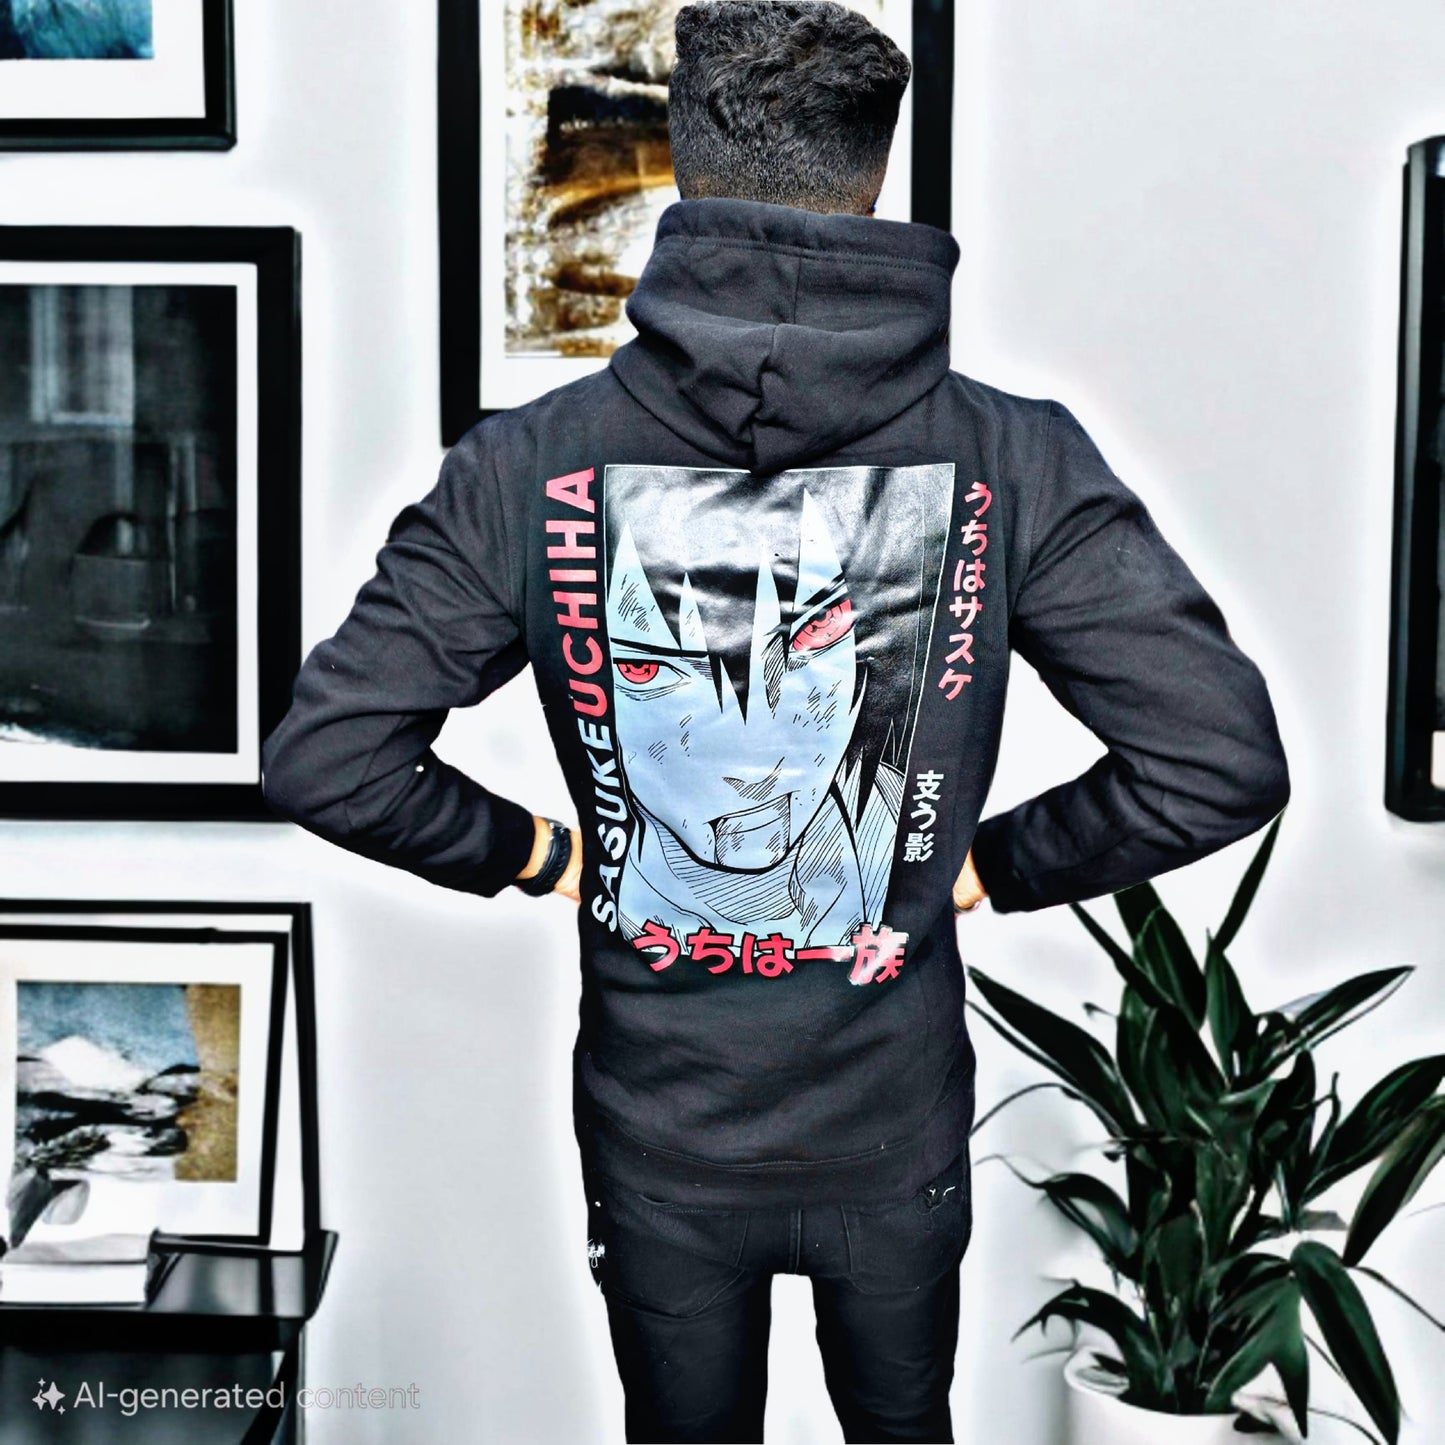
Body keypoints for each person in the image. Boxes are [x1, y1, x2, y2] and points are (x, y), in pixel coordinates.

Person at [261, 2, 1290, 1440]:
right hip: (890, 1127)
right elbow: (1218, 759)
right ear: (875, 170)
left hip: (663, 1133)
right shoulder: (1013, 459)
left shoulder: (528, 466)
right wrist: (987, 867)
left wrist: (537, 854)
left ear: (681, 164)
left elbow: (328, 757)